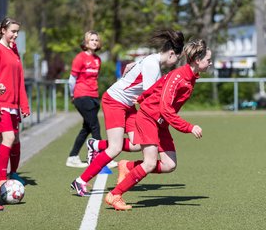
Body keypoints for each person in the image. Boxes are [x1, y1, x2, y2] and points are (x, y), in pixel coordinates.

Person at [71, 29, 185, 196]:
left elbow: (133, 70)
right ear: (171, 53)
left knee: (137, 144)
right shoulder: (153, 65)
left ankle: (95, 145)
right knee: (115, 147)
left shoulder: (152, 60)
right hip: (115, 101)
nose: (175, 63)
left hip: (127, 104)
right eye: (177, 59)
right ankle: (80, 181)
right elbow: (148, 99)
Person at [105, 39, 212, 211]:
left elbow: (158, 86)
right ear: (197, 60)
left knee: (169, 165)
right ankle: (115, 195)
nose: (210, 63)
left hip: (160, 122)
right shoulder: (179, 76)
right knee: (149, 163)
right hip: (149, 118)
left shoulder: (190, 77)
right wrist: (189, 127)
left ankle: (128, 166)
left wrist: (142, 97)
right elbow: (166, 108)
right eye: (208, 59)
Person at [0, 17, 30, 191]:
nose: (15, 35)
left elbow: (20, 79)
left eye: (17, 32)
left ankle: (13, 173)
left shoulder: (14, 51)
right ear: (3, 31)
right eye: (12, 31)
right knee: (6, 138)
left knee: (14, 139)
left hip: (14, 105)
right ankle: (0, 179)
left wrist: (24, 104)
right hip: (2, 103)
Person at [66, 30, 112, 168]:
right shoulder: (80, 58)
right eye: (92, 40)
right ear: (86, 42)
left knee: (86, 128)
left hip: (93, 96)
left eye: (96, 40)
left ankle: (73, 157)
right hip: (81, 95)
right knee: (95, 126)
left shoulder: (98, 60)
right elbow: (71, 80)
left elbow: (94, 78)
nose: (95, 42)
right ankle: (101, 159)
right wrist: (72, 95)